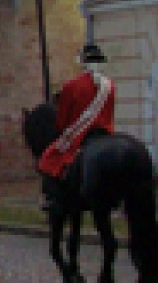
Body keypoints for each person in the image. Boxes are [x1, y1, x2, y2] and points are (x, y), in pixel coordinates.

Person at [38, 44, 115, 211]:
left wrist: (63, 131)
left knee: (48, 157)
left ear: (83, 62)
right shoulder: (110, 85)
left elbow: (62, 120)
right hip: (106, 134)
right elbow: (109, 114)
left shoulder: (72, 86)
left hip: (81, 137)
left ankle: (51, 199)